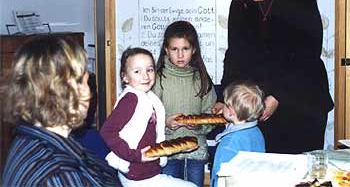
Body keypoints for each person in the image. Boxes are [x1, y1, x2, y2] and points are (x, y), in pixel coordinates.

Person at [216, 0, 334, 154]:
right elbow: (234, 56)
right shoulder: (239, 6)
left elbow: (306, 56)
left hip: (301, 102)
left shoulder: (302, 0)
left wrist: (278, 95)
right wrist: (224, 99)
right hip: (259, 104)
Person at [1, 36, 121, 186]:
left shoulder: (31, 139)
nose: (89, 92)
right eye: (85, 81)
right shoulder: (58, 176)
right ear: (64, 91)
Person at [100, 47, 196, 187]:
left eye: (149, 70)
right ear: (125, 77)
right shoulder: (130, 99)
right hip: (137, 176)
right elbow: (107, 131)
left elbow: (151, 137)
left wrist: (178, 148)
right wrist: (135, 156)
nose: (145, 76)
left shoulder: (149, 99)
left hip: (150, 172)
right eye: (137, 71)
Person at [153, 20, 217, 187]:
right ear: (166, 50)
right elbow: (149, 114)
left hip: (196, 149)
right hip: (167, 148)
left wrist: (199, 126)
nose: (180, 55)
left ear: (193, 49)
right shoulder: (157, 79)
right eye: (175, 49)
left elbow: (210, 112)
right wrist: (166, 122)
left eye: (185, 49)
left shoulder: (201, 78)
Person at [211, 81, 265, 187]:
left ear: (231, 112)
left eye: (226, 105)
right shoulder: (256, 131)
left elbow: (221, 177)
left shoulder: (229, 142)